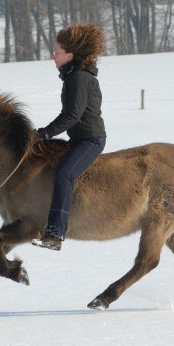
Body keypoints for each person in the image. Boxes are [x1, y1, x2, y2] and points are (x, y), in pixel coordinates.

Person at [32, 23, 107, 251]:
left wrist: (44, 133)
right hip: (77, 139)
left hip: (90, 140)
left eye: (56, 52)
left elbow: (72, 115)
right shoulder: (72, 76)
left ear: (70, 55)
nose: (53, 57)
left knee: (64, 175)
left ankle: (55, 234)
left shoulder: (79, 78)